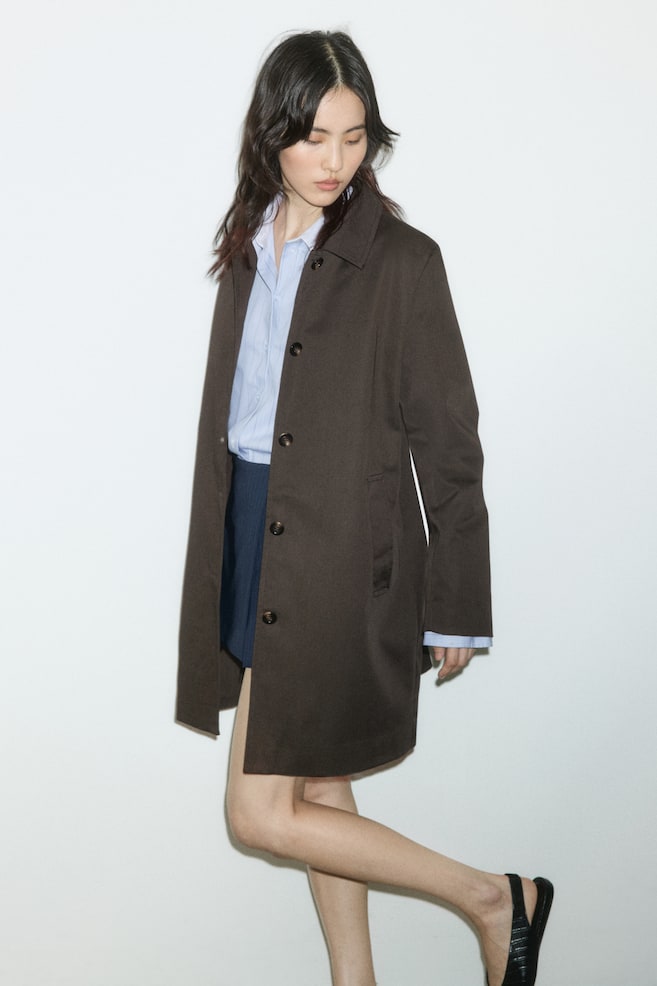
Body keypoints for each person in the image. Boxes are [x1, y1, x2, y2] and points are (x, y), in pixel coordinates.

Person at [177, 29, 553, 986]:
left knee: (258, 812)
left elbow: (450, 443)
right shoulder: (248, 245)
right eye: (313, 137)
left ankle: (493, 899)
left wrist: (456, 602)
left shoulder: (401, 262)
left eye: (353, 138)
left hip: (338, 551)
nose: (334, 161)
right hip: (252, 527)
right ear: (271, 134)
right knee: (315, 778)